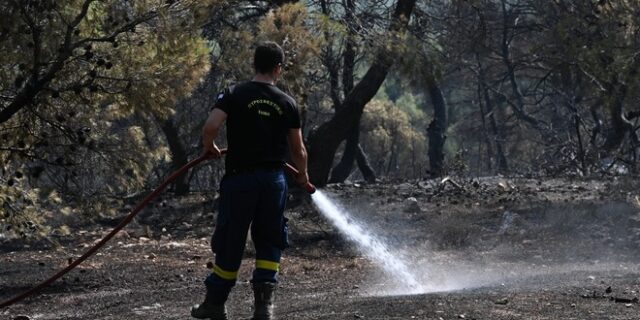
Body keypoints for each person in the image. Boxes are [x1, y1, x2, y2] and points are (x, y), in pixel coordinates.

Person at [192, 41, 309, 320]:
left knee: (231, 239)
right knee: (270, 239)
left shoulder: (234, 93)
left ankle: (216, 304)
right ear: (278, 69)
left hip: (240, 180)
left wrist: (210, 146)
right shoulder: (287, 103)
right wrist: (303, 174)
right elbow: (298, 150)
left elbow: (210, 127)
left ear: (254, 64)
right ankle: (263, 309)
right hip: (273, 182)